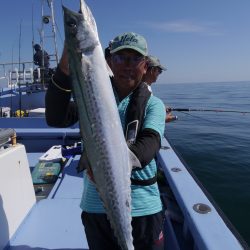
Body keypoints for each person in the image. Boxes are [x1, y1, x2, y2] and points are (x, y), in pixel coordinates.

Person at [45, 32, 166, 250]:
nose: (127, 65)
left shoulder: (154, 104)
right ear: (109, 62)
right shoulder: (91, 98)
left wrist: (108, 167)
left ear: (145, 65)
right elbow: (55, 117)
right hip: (96, 207)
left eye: (135, 58)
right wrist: (66, 63)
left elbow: (150, 144)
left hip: (144, 209)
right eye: (120, 58)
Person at [143, 55, 177, 123]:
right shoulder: (142, 91)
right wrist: (162, 119)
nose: (159, 74)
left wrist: (160, 108)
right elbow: (143, 120)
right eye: (160, 71)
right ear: (152, 70)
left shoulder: (146, 87)